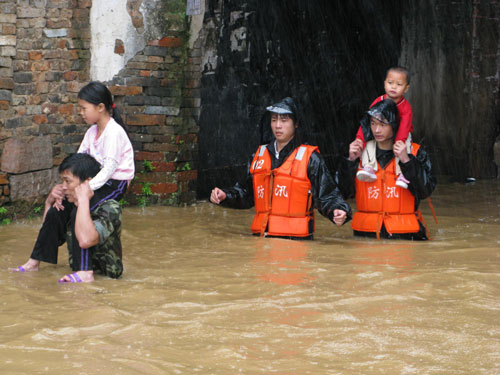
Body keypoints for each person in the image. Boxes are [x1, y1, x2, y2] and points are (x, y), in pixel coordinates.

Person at [210, 97, 352, 239]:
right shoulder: (259, 155)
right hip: (262, 240)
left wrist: (337, 210)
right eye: (274, 120)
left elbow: (327, 194)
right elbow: (246, 193)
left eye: (284, 120)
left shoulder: (311, 158)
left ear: (295, 124)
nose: (278, 125)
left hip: (296, 243)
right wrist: (225, 195)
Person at [10, 153, 124, 283]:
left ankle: (85, 272)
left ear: (87, 182)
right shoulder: (69, 205)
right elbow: (49, 235)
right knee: (56, 212)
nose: (63, 186)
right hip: (74, 274)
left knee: (78, 212)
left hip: (107, 279)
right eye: (62, 181)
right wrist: (49, 202)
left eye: (68, 181)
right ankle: (33, 264)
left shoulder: (110, 207)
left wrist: (82, 201)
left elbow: (86, 241)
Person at [340, 99, 436, 240]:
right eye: (373, 123)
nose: (377, 130)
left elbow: (424, 191)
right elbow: (343, 192)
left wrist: (406, 161)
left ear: (394, 125)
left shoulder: (415, 153)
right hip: (367, 236)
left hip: (406, 236)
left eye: (382, 124)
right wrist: (350, 161)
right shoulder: (359, 152)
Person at [355, 66, 413, 189]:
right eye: (390, 83)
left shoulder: (406, 107)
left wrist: (399, 141)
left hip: (401, 135)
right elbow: (367, 121)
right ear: (384, 83)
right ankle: (369, 167)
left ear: (406, 88)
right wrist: (359, 138)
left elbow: (405, 126)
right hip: (382, 135)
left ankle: (402, 174)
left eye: (399, 84)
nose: (393, 87)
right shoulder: (378, 101)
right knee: (369, 143)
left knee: (404, 147)